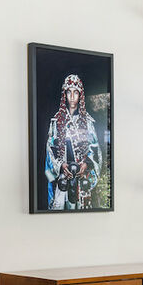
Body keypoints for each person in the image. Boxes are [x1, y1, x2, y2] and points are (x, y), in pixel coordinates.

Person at [44, 74, 101, 210]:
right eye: (69, 92)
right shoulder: (56, 122)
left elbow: (95, 150)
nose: (72, 96)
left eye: (76, 92)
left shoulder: (88, 123)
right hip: (62, 179)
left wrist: (86, 165)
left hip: (81, 179)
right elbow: (49, 151)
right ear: (64, 94)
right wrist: (61, 165)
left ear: (80, 95)